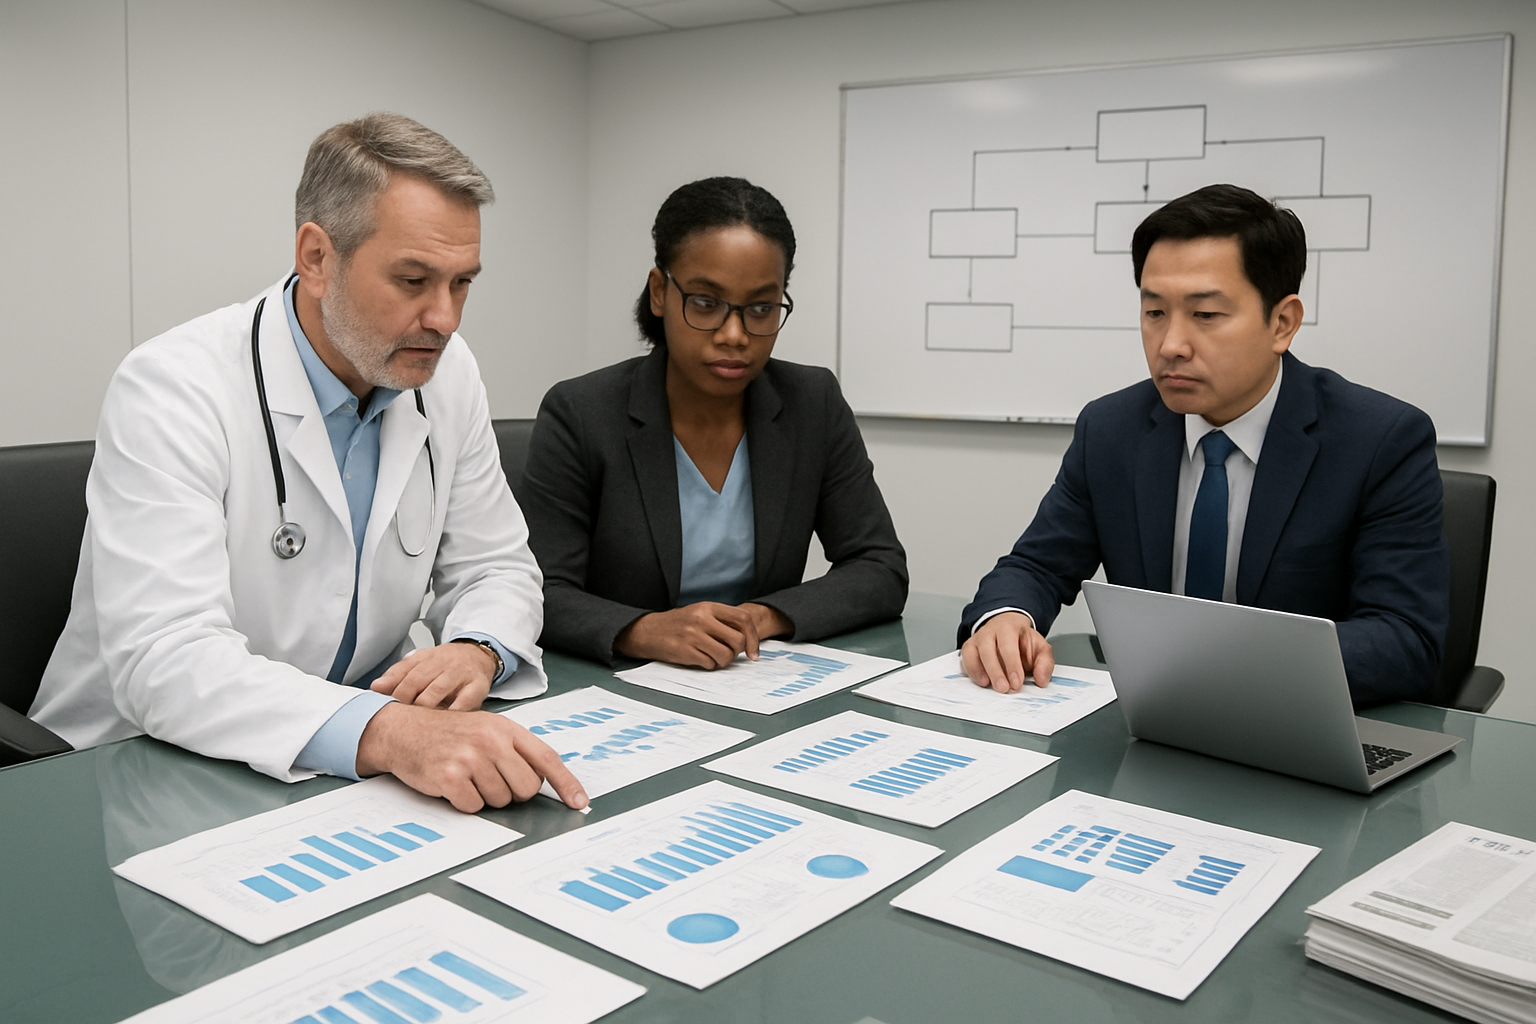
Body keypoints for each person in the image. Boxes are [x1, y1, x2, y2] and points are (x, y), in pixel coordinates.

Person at [30, 113, 586, 812]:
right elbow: (166, 658)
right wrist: (390, 732)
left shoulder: (445, 373)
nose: (445, 319)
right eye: (413, 279)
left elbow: (495, 565)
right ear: (317, 258)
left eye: (462, 283)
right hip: (135, 774)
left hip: (338, 766)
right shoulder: (173, 385)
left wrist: (477, 648)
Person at [959, 183, 1448, 707]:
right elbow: (1036, 565)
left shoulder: (1379, 441)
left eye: (1206, 315)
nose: (1171, 345)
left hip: (1293, 723)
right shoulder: (1112, 430)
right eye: (1154, 313)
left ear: (1282, 323)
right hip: (1147, 724)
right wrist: (1006, 617)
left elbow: (1405, 640)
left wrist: (1221, 662)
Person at [518, 176, 907, 668]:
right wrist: (644, 630)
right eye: (705, 303)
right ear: (660, 292)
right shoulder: (582, 412)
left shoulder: (813, 403)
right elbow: (539, 590)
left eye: (761, 309)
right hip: (620, 685)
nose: (734, 335)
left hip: (755, 679)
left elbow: (879, 567)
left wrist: (760, 617)